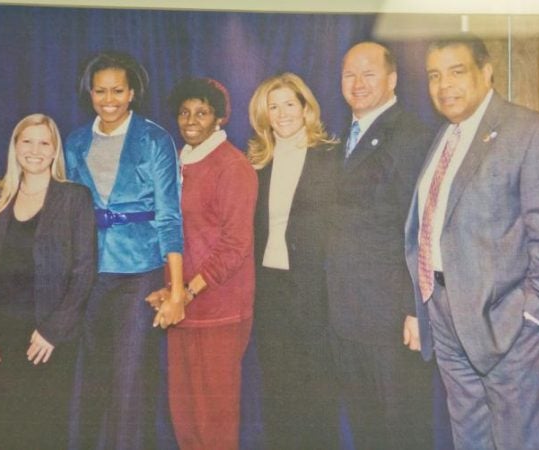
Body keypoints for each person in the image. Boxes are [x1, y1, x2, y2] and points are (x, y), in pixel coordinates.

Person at [404, 34, 539, 450]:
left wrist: (534, 320)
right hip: (445, 319)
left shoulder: (532, 133)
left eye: (457, 72)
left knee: (527, 441)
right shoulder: (444, 138)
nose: (445, 86)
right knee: (471, 440)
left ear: (487, 72)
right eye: (434, 76)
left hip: (511, 326)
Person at [65, 51, 184, 450]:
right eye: (100, 91)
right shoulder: (76, 141)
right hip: (88, 273)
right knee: (91, 380)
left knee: (131, 384)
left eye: (118, 90)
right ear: (90, 93)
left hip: (140, 274)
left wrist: (178, 291)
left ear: (132, 92)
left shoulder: (155, 139)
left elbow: (170, 218)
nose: (109, 99)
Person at [326, 42, 435, 449]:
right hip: (347, 317)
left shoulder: (412, 137)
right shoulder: (342, 140)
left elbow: (423, 230)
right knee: (367, 429)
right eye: (349, 74)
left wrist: (414, 308)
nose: (357, 83)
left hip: (392, 321)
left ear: (392, 80)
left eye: (369, 73)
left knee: (403, 431)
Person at [0, 113, 96, 449]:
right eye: (27, 140)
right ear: (15, 147)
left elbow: (85, 272)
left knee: (44, 430)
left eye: (45, 142)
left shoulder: (75, 198)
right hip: (1, 338)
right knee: (3, 430)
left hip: (47, 337)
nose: (35, 149)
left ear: (56, 150)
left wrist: (52, 331)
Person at [147, 77, 257, 450]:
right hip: (182, 308)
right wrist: (170, 290)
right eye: (184, 112)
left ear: (220, 119)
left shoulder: (232, 166)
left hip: (220, 310)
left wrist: (186, 291)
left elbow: (235, 244)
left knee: (215, 421)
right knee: (185, 416)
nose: (191, 119)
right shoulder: (179, 163)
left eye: (202, 112)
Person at [247, 72, 339, 449]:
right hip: (270, 288)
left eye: (289, 104)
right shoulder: (256, 162)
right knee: (278, 391)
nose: (282, 113)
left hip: (316, 291)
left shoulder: (331, 158)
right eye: (273, 106)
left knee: (317, 394)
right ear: (263, 114)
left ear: (306, 108)